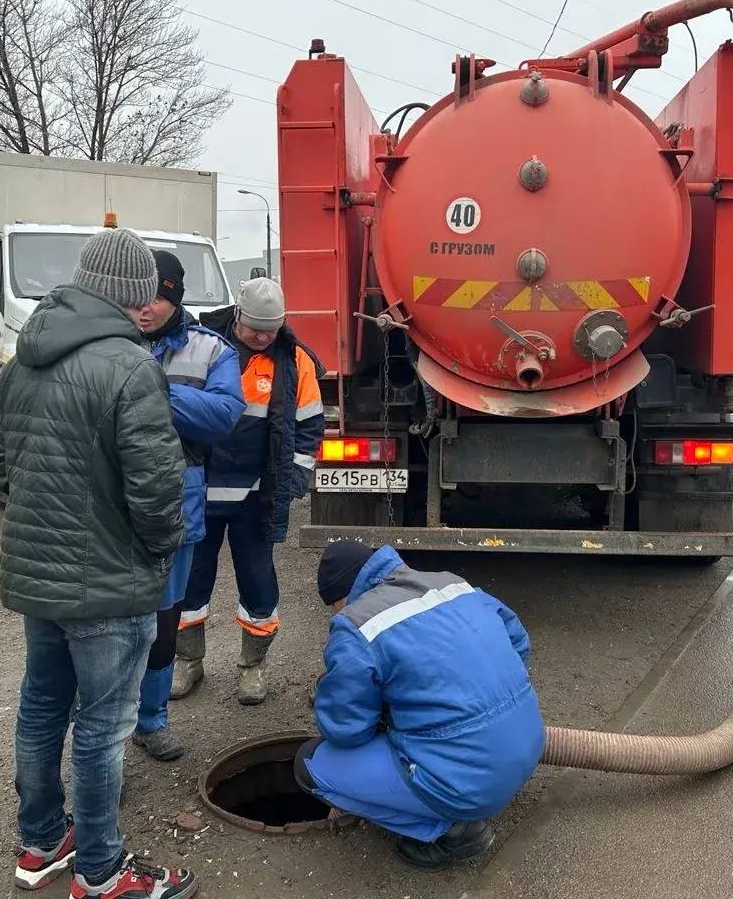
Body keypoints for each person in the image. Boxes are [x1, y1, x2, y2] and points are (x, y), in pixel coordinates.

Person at [0, 227, 197, 899]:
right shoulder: (130, 367)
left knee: (42, 708)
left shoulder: (24, 359)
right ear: (135, 295)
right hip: (110, 585)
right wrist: (158, 550)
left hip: (38, 577)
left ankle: (42, 842)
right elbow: (158, 489)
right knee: (104, 729)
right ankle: (102, 873)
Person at [294, 540, 544, 870]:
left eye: (334, 605)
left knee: (310, 766)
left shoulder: (356, 625)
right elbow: (517, 642)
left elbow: (346, 731)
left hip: (467, 785)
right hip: (528, 748)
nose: (336, 612)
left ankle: (450, 829)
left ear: (342, 596)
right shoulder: (449, 583)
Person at [171, 277, 325, 705]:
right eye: (254, 328)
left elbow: (310, 425)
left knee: (258, 582)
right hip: (198, 491)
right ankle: (188, 662)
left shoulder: (295, 362)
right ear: (237, 315)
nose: (261, 338)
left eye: (270, 331)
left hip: (256, 496)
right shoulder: (202, 347)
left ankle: (253, 666)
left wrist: (292, 481)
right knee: (189, 581)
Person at [132, 250, 244, 761]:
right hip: (113, 510)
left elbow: (224, 415)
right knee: (110, 627)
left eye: (159, 296)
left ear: (175, 298)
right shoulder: (106, 343)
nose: (146, 308)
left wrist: (151, 393)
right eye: (140, 295)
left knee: (162, 623)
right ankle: (108, 729)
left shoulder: (210, 351)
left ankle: (152, 721)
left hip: (178, 508)